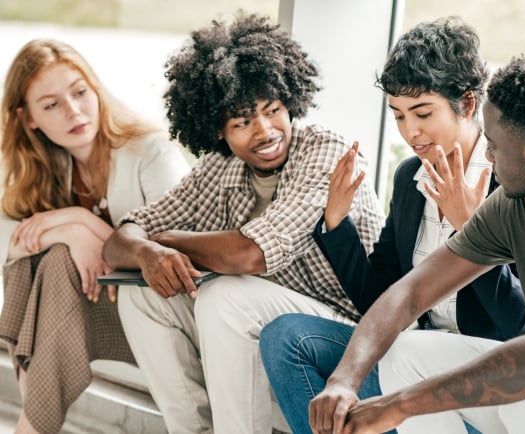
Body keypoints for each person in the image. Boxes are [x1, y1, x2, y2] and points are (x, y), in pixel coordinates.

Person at [307, 53, 525, 434]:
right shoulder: (519, 204)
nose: (487, 155)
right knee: (407, 355)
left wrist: (400, 406)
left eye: (493, 145)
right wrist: (344, 380)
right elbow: (412, 291)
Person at [100, 13, 384, 434]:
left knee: (225, 297)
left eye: (273, 111)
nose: (265, 131)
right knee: (143, 295)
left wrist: (170, 239)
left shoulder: (325, 152)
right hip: (263, 327)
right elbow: (120, 238)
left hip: (349, 331)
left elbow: (250, 254)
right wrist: (148, 251)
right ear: (219, 131)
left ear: (291, 101)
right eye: (242, 122)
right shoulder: (220, 168)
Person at [260, 17, 525, 434]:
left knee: (404, 354)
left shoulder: (513, 182)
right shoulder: (410, 178)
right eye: (399, 115)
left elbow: (524, 326)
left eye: (422, 113)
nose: (410, 131)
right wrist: (337, 223)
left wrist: (471, 230)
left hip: (486, 377)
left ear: (467, 104)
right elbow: (380, 297)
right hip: (413, 356)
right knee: (286, 337)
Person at [0, 39, 190, 434]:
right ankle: (35, 422)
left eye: (80, 92)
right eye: (51, 105)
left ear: (96, 88)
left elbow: (171, 256)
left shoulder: (151, 153)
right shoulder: (46, 167)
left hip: (161, 311)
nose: (73, 111)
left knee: (52, 261)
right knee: (39, 263)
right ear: (28, 118)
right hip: (101, 310)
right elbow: (12, 246)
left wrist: (81, 223)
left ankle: (32, 425)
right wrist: (70, 232)